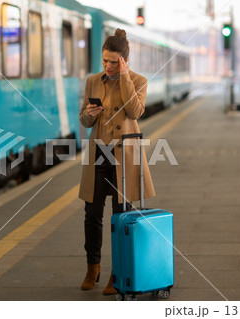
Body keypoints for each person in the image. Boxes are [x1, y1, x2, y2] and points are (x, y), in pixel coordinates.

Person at [78, 28, 155, 295]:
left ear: (124, 60)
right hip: (99, 153)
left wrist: (123, 77)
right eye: (105, 61)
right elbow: (84, 120)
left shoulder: (138, 80)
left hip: (124, 157)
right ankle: (93, 267)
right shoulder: (93, 81)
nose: (108, 66)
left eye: (114, 62)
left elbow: (135, 111)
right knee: (92, 213)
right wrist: (89, 114)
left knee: (120, 216)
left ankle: (117, 272)